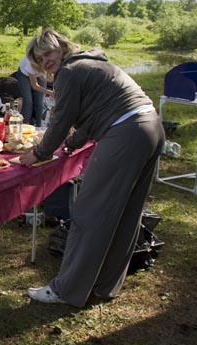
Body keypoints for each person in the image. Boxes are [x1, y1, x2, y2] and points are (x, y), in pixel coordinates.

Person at [18, 28, 164, 307]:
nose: (45, 61)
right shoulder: (92, 62)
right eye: (38, 58)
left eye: (47, 53)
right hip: (151, 127)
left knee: (88, 212)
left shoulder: (69, 73)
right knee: (125, 213)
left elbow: (61, 119)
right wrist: (72, 144)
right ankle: (105, 283)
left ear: (61, 47)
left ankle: (66, 290)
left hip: (126, 133)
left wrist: (38, 152)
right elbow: (90, 115)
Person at [16, 48, 54, 126]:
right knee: (28, 101)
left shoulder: (51, 60)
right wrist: (50, 92)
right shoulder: (31, 63)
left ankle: (40, 127)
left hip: (39, 74)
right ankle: (24, 126)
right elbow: (35, 86)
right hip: (24, 74)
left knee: (40, 103)